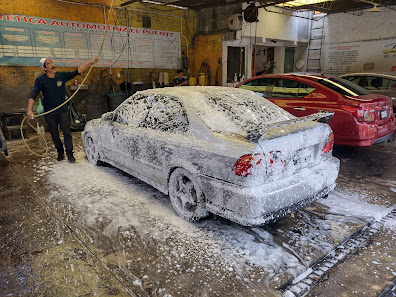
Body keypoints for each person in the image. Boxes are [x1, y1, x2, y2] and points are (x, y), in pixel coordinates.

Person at [27, 55, 99, 163]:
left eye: (52, 62)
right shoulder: (40, 80)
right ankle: (60, 153)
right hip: (50, 113)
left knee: (67, 133)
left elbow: (77, 71)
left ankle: (70, 154)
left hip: (62, 111)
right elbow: (33, 94)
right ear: (44, 68)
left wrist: (91, 63)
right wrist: (29, 110)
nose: (52, 64)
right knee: (55, 135)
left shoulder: (61, 76)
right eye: (48, 63)